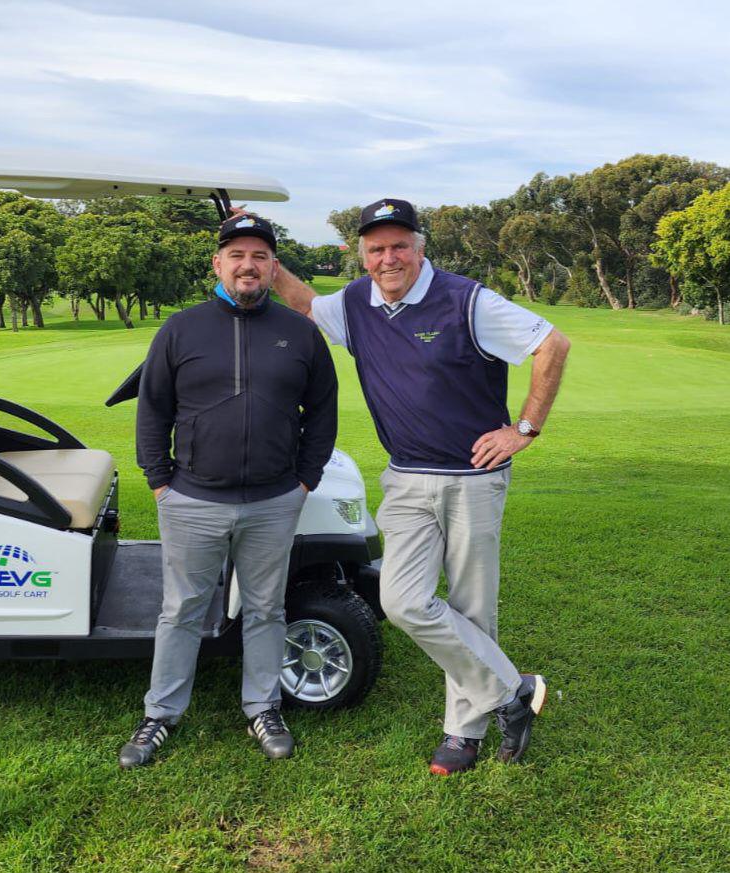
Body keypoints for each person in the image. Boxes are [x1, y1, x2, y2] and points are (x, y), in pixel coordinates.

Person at [273, 198, 571, 775]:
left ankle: (463, 734)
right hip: (406, 476)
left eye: (399, 245)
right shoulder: (356, 303)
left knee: (470, 606)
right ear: (362, 255)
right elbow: (304, 303)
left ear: (420, 246)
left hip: (473, 477)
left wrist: (524, 428)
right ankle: (514, 691)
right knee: (403, 600)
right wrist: (256, 243)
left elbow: (551, 344)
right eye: (376, 248)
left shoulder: (467, 299)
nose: (389, 258)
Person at [119, 213, 338, 769]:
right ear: (218, 264)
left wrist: (304, 479)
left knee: (266, 608)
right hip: (191, 499)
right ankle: (161, 714)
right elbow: (153, 410)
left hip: (273, 501)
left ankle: (263, 707)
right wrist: (160, 480)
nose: (248, 265)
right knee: (182, 609)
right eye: (237, 255)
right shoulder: (181, 328)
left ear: (272, 267)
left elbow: (323, 414)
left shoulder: (301, 332)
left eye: (260, 256)